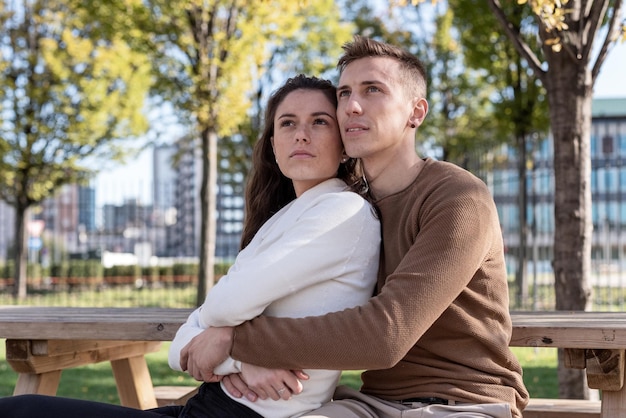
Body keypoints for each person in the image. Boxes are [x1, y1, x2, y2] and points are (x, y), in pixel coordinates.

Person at [180, 36, 530, 418]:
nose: (352, 106)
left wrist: (235, 342)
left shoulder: (458, 197)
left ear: (416, 112)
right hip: (370, 403)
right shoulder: (347, 209)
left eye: (373, 90)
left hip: (464, 402)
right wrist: (240, 357)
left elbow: (386, 335)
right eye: (344, 93)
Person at [0, 74, 381, 418]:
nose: (301, 134)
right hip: (211, 406)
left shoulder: (342, 210)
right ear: (273, 145)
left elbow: (223, 307)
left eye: (319, 122)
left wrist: (226, 343)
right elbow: (184, 343)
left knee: (23, 412)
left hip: (247, 415)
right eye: (288, 123)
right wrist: (241, 361)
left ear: (345, 143)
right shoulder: (287, 216)